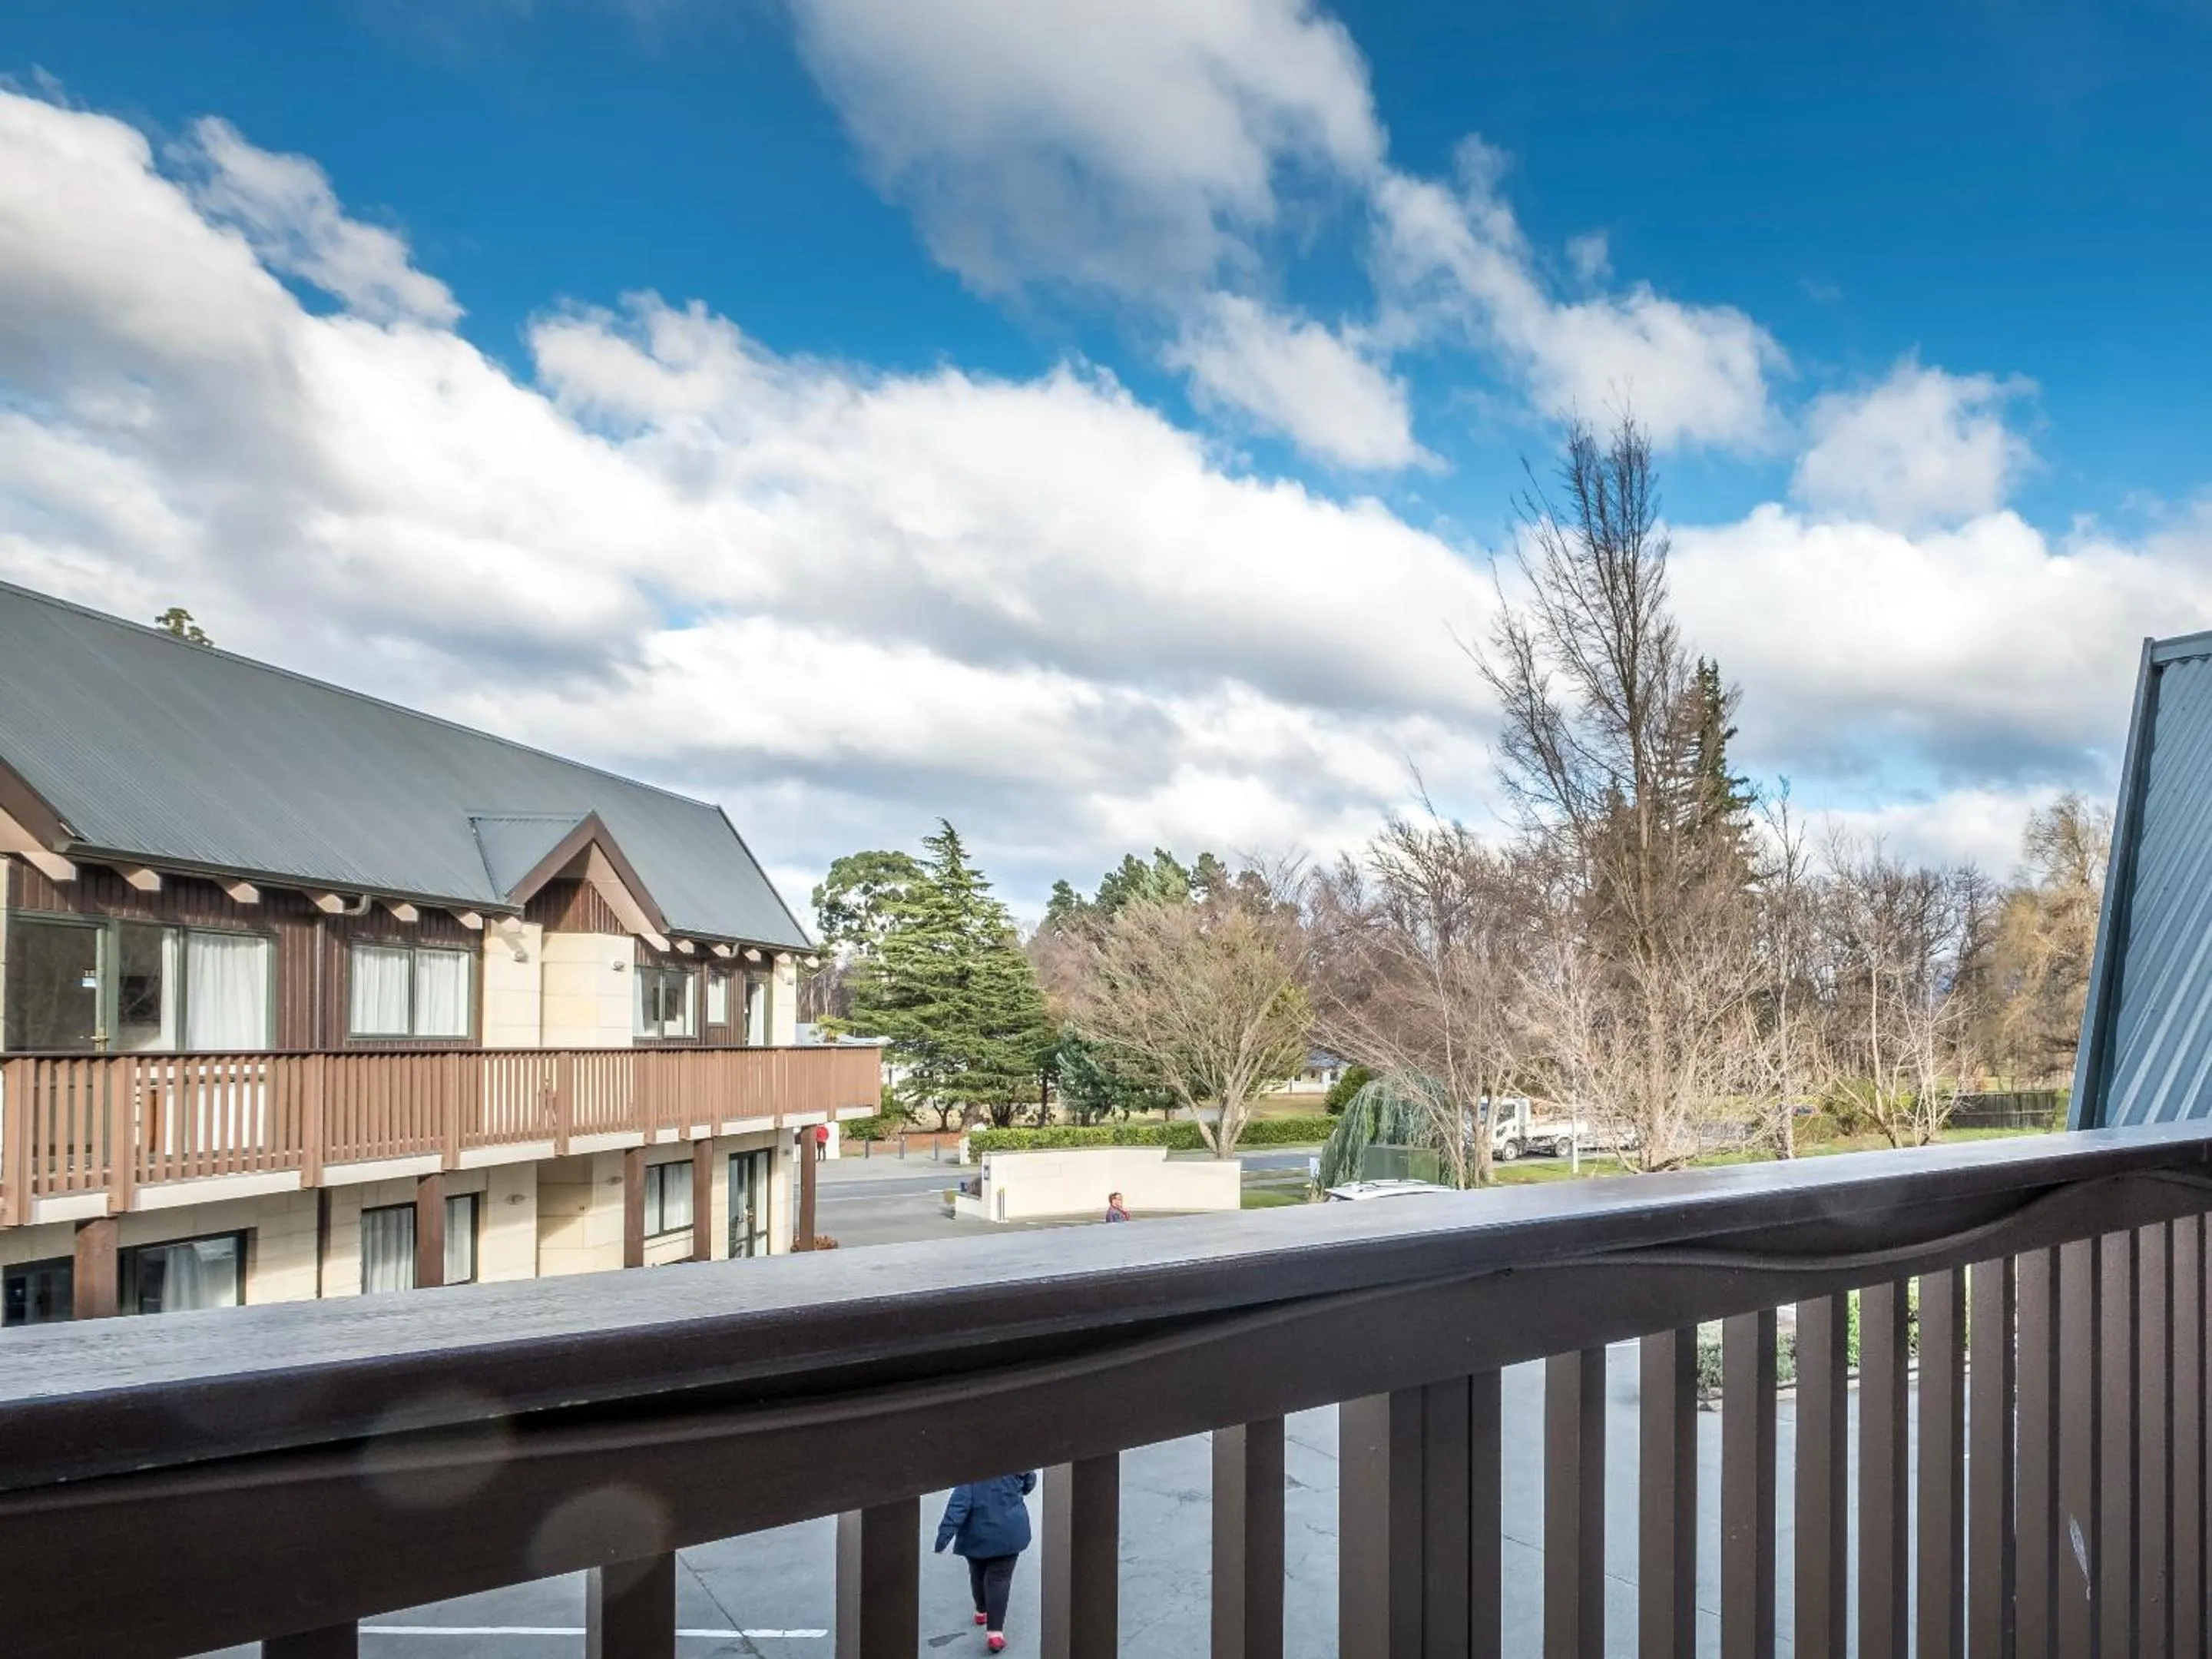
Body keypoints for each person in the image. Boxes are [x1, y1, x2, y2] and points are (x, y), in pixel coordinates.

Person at [935, 1472, 1036, 1652]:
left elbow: (958, 1506)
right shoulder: (1015, 1463)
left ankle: (981, 1610)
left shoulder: (972, 1473)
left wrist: (943, 1538)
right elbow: (1029, 1483)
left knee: (977, 1574)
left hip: (976, 1537)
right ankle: (995, 1634)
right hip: (1009, 1533)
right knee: (1000, 1580)